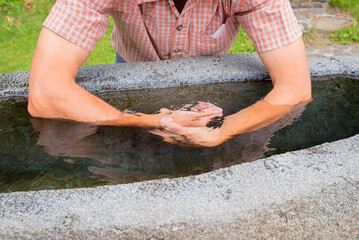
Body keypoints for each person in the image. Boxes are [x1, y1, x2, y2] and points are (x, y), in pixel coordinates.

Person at [28, 0, 312, 147]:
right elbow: (45, 92)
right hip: (134, 66)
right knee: (128, 150)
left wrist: (225, 129)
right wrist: (146, 120)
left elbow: (296, 88)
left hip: (209, 73)